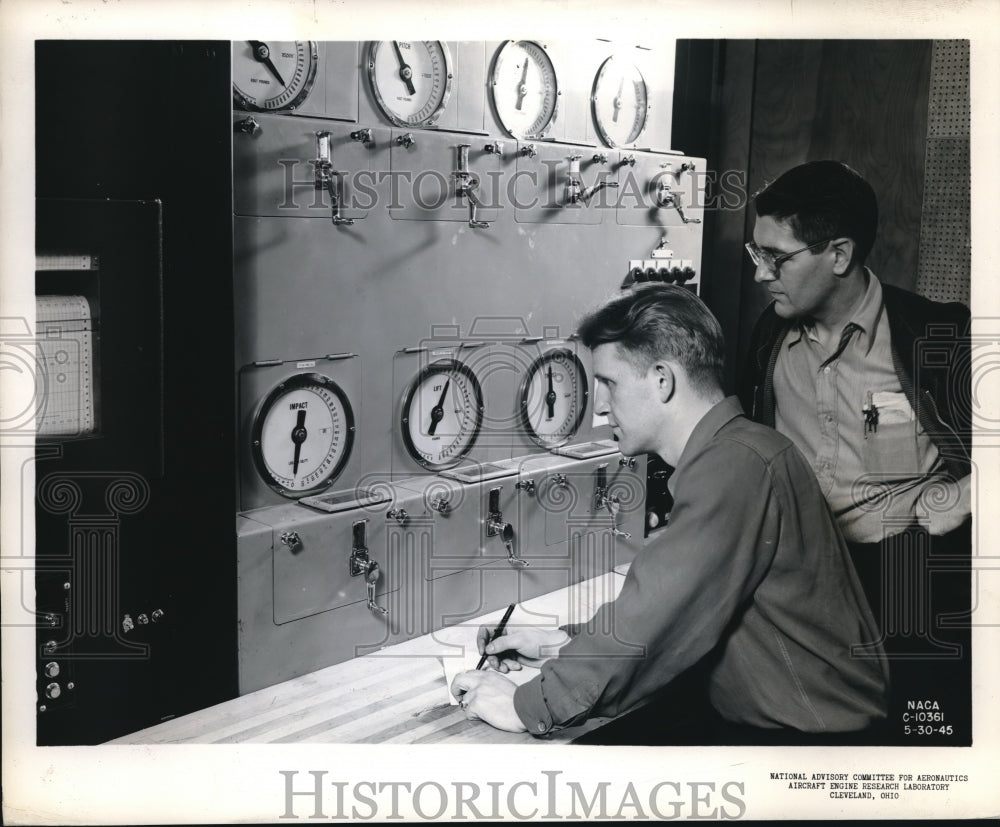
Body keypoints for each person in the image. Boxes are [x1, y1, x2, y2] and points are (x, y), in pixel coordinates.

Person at [452, 283, 889, 742]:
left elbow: (654, 613)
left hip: (813, 746)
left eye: (608, 383)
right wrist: (563, 640)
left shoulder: (734, 466)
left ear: (663, 380)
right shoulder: (745, 451)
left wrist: (526, 705)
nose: (598, 408)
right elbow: (672, 610)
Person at [737, 160, 971, 740]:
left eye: (778, 258)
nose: (761, 274)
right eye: (755, 254)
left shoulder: (936, 333)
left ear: (838, 255)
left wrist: (964, 496)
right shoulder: (769, 336)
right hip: (802, 578)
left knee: (919, 741)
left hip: (907, 577)